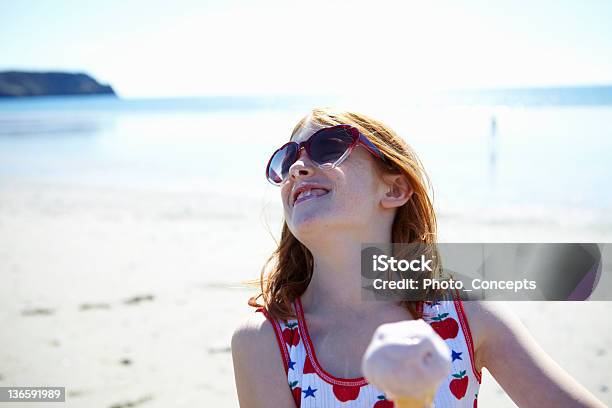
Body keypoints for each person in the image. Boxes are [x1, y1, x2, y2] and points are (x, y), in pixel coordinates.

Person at [231, 107, 605, 407]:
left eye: (328, 147)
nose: (297, 167)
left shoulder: (466, 315)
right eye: (286, 160)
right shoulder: (265, 341)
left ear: (394, 188)